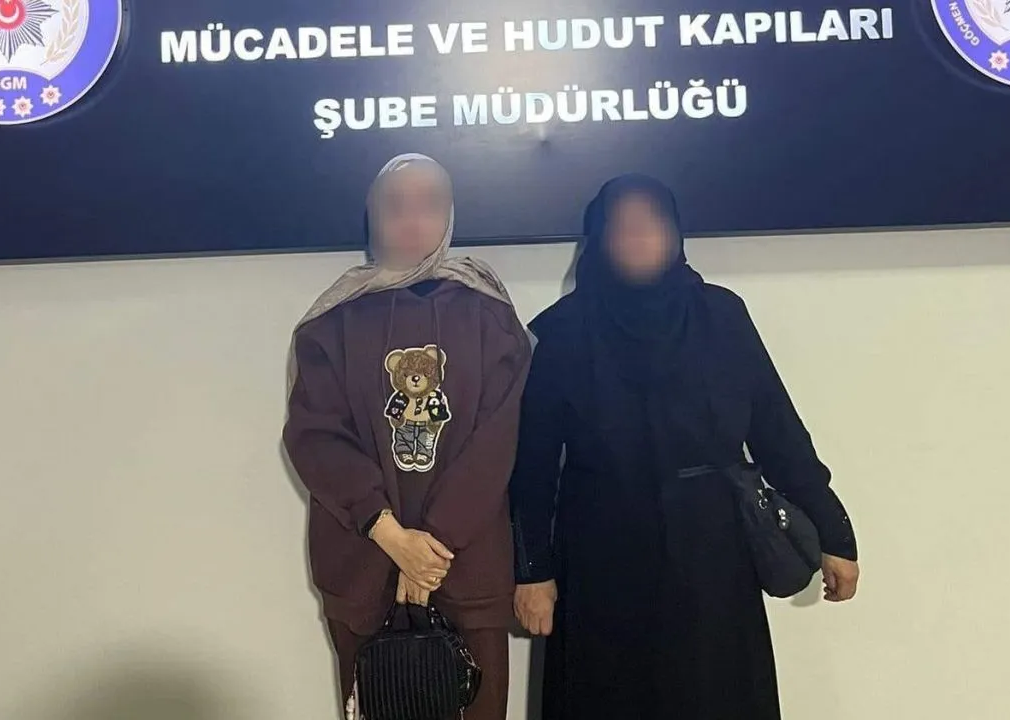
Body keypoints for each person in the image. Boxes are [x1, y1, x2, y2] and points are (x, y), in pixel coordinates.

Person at [510, 174, 860, 720]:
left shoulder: (721, 316)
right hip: (602, 564)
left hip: (713, 559)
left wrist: (835, 531)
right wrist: (534, 572)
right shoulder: (565, 333)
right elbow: (533, 468)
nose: (638, 237)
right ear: (599, 239)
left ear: (675, 234)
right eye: (622, 227)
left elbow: (778, 431)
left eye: (652, 224)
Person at [283, 154, 530, 720]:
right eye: (395, 207)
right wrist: (391, 535)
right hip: (364, 565)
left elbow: (499, 439)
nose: (412, 221)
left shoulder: (489, 315)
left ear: (450, 214)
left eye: (429, 205)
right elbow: (316, 436)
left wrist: (431, 550)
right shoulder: (331, 322)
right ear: (371, 217)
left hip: (466, 566)